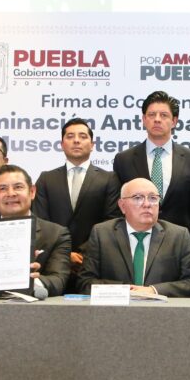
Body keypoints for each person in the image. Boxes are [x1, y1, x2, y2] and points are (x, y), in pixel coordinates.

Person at [33, 118, 121, 286]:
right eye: (70, 136)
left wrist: (83, 253)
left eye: (82, 136)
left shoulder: (109, 179)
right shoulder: (46, 179)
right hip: (52, 263)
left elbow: (111, 221)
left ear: (92, 144)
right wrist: (65, 254)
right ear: (61, 144)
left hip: (93, 262)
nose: (76, 140)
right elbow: (40, 221)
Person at [78, 177, 190, 296]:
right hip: (117, 307)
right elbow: (85, 283)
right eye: (137, 198)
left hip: (161, 308)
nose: (147, 204)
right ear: (122, 206)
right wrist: (125, 291)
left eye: (153, 198)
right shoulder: (102, 234)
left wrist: (153, 290)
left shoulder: (178, 236)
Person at [112, 90, 190, 237]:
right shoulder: (124, 159)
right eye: (151, 115)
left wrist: (183, 236)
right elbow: (120, 205)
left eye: (163, 115)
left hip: (177, 239)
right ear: (143, 119)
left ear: (174, 121)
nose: (157, 119)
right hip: (136, 238)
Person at [0, 164, 72, 298]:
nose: (11, 193)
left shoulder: (56, 234)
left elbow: (58, 281)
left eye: (18, 187)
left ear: (32, 192)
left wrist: (30, 281)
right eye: (3, 188)